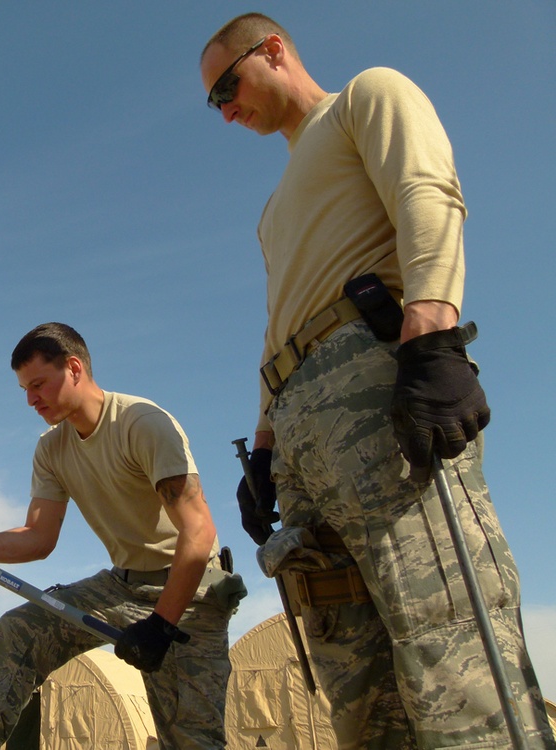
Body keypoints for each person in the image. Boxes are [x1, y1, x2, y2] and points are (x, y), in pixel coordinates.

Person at [199, 13, 555, 750]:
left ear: (272, 52)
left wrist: (433, 337)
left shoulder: (366, 97)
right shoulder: (271, 215)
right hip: (301, 427)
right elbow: (276, 329)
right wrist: (264, 450)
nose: (226, 110)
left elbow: (427, 193)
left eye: (227, 88)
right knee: (349, 665)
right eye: (215, 104)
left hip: (372, 387)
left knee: (446, 630)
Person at [0, 322, 244, 749]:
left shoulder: (141, 423)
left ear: (73, 368)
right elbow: (38, 538)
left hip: (189, 592)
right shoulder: (52, 449)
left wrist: (161, 625)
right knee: (21, 630)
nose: (31, 399)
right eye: (24, 390)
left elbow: (198, 532)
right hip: (120, 584)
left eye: (38, 384)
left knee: (191, 739)